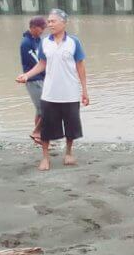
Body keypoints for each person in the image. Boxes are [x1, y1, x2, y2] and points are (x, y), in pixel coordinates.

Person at [16, 9, 89, 171]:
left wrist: (84, 90)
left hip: (70, 93)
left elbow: (80, 66)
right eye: (48, 22)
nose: (49, 24)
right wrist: (27, 75)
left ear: (64, 23)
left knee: (71, 126)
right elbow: (41, 64)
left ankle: (69, 153)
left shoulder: (74, 42)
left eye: (53, 21)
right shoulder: (45, 42)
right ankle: (45, 158)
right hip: (49, 93)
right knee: (47, 128)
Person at [19, 16, 47, 145]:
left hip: (40, 78)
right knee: (45, 108)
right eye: (41, 28)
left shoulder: (37, 39)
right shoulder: (26, 43)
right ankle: (37, 133)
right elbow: (37, 61)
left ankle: (39, 138)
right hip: (33, 80)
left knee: (39, 110)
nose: (43, 30)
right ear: (34, 27)